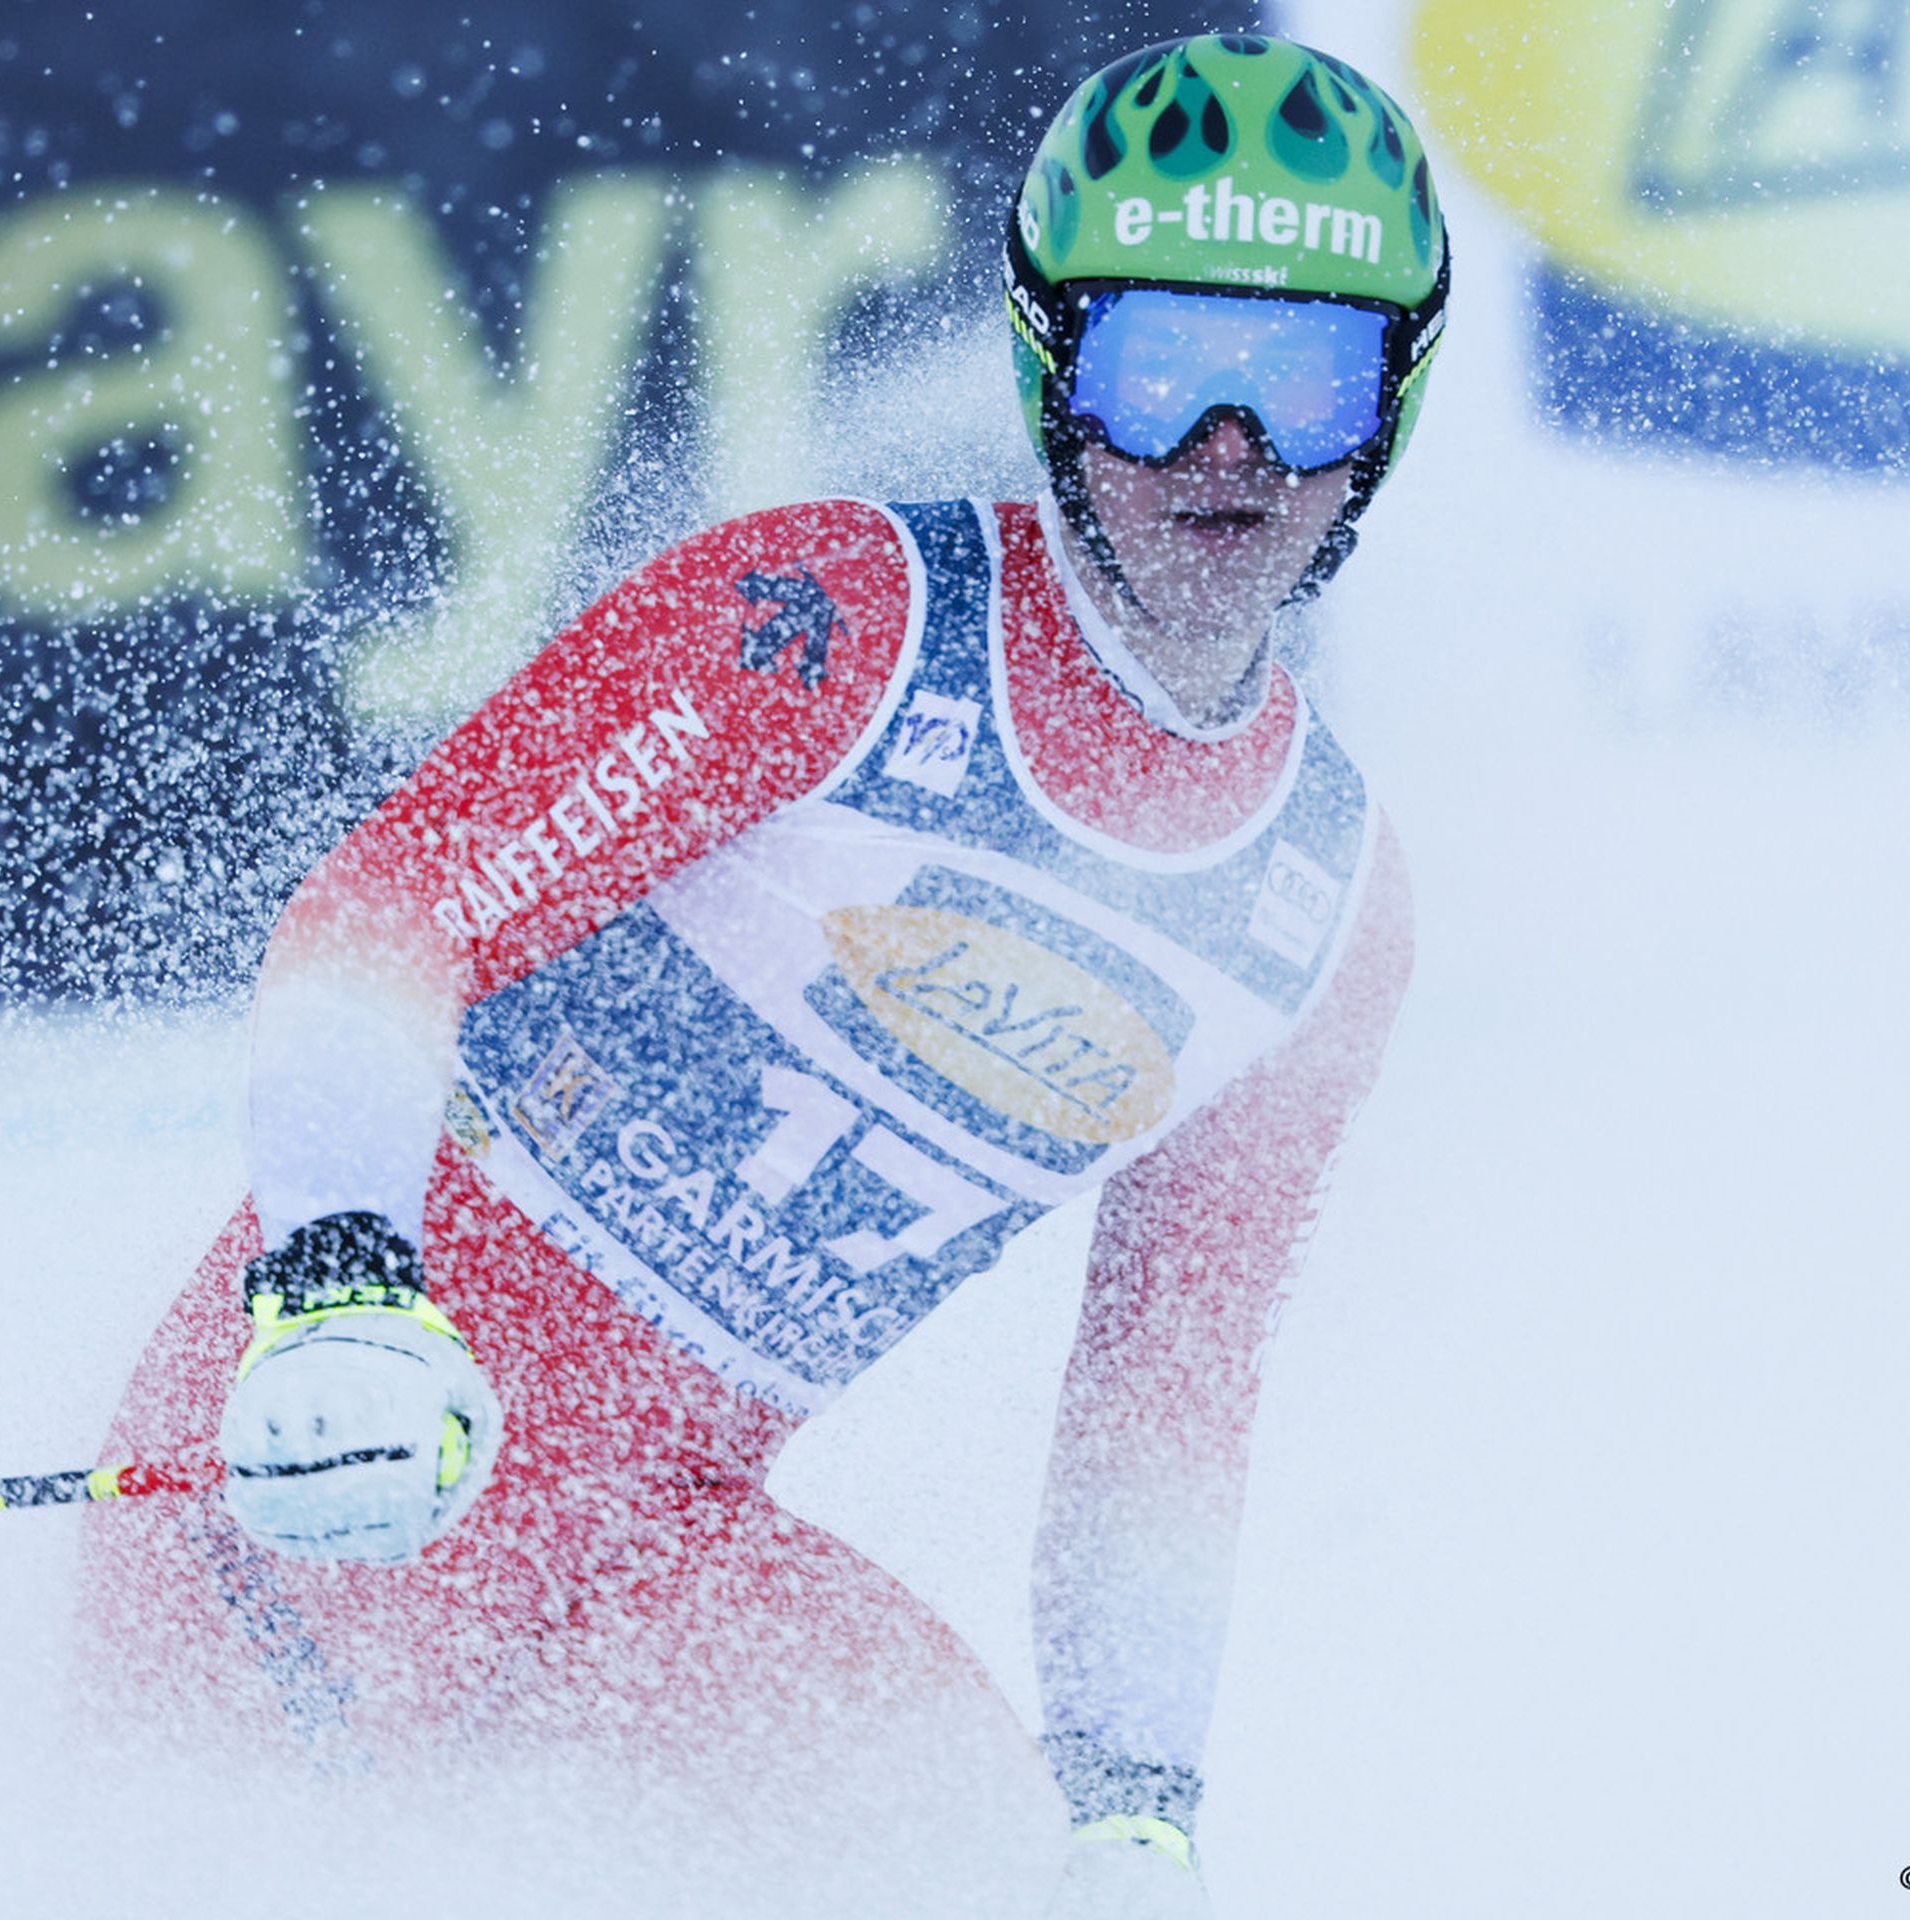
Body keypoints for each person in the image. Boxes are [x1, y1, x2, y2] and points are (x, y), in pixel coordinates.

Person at [82, 32, 1447, 1918]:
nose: (1229, 451)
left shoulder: (1326, 905)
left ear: (1396, 399)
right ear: (1056, 368)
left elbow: (1166, 1406)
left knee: (974, 1857)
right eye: (1162, 369)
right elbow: (384, 917)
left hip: (656, 1553)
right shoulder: (827, 629)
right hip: (337, 1456)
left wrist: (1138, 1810)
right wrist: (332, 1298)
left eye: (1302, 376)